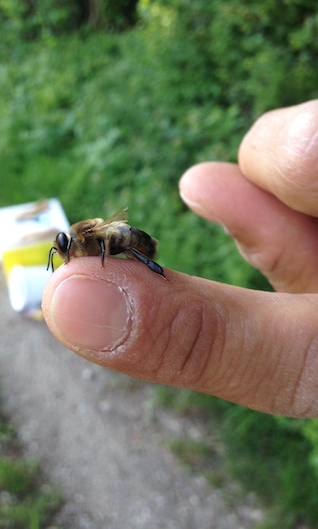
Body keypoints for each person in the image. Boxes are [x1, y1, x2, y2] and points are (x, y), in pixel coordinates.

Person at [42, 101, 318, 418]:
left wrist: (104, 262)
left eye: (63, 248)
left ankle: (152, 269)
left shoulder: (87, 236)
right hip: (121, 238)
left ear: (73, 240)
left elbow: (109, 239)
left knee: (126, 247)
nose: (65, 253)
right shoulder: (79, 241)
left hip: (127, 237)